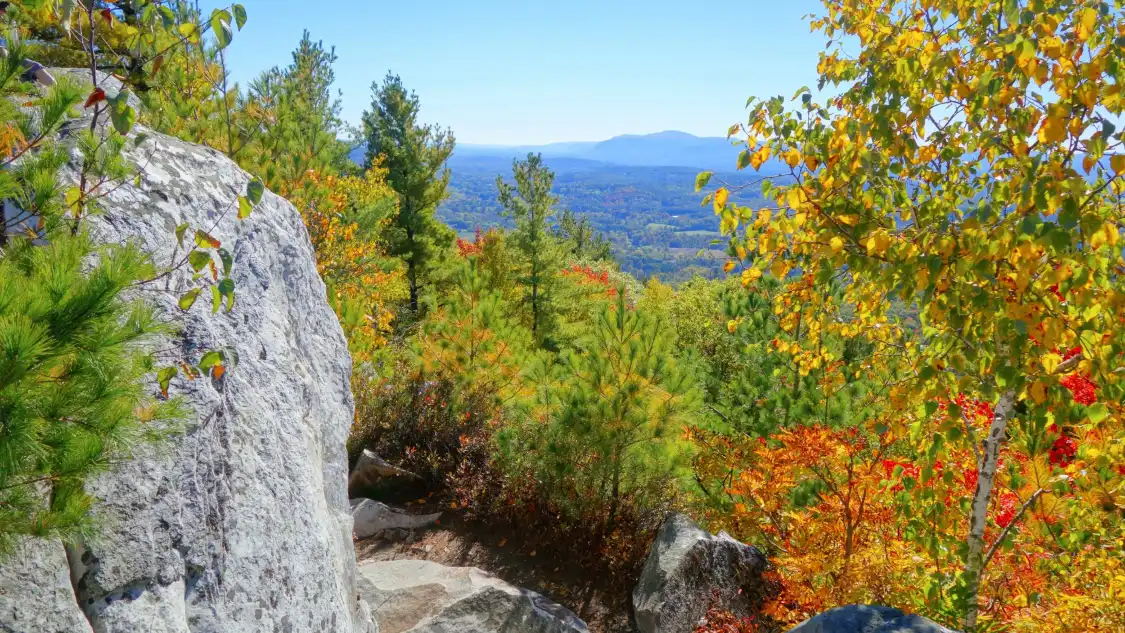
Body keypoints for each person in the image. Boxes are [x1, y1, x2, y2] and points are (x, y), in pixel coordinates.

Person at [0, 1, 56, 87]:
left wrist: (12, 29)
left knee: (38, 68)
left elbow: (16, 49)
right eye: (3, 12)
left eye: (8, 14)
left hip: (13, 60)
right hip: (4, 60)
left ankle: (56, 92)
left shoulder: (11, 26)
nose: (4, 16)